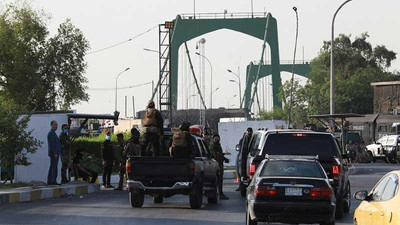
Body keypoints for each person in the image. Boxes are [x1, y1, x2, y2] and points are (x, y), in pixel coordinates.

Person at [210, 133, 230, 200]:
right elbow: (215, 155)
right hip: (217, 165)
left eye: (218, 137)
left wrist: (224, 158)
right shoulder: (213, 146)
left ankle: (219, 193)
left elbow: (220, 154)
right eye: (215, 138)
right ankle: (220, 194)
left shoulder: (218, 145)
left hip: (219, 164)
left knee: (220, 180)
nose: (217, 139)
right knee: (219, 180)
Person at [47, 120, 62, 185]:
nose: (56, 126)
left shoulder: (53, 133)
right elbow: (52, 144)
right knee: (54, 167)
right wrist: (55, 153)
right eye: (55, 125)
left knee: (52, 167)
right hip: (54, 153)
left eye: (57, 125)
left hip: (55, 153)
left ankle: (50, 181)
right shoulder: (51, 133)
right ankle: (53, 181)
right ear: (51, 125)